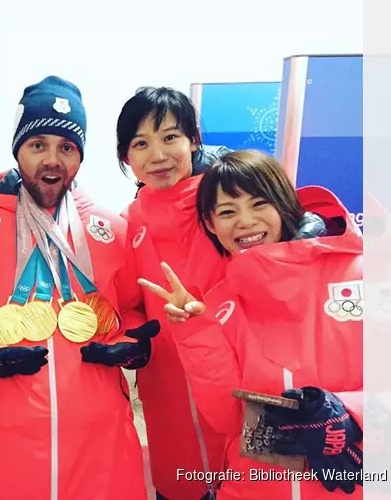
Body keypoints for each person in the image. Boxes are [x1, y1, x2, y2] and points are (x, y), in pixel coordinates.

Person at [0, 76, 158, 500]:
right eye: (38, 145)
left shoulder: (112, 229)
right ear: (18, 149)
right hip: (1, 441)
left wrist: (133, 341)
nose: (52, 160)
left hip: (100, 441)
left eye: (66, 147)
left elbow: (132, 308)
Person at [140, 150, 363, 499]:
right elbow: (229, 420)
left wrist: (352, 414)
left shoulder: (365, 276)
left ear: (286, 205)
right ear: (210, 225)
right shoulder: (219, 302)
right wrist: (195, 329)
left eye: (259, 204)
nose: (244, 221)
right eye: (227, 212)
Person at [117, 86, 230, 499]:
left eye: (170, 137)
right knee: (177, 485)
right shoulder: (128, 221)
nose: (157, 155)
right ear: (126, 156)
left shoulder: (225, 202)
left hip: (231, 373)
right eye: (140, 143)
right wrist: (131, 335)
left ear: (193, 140)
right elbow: (126, 303)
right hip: (164, 383)